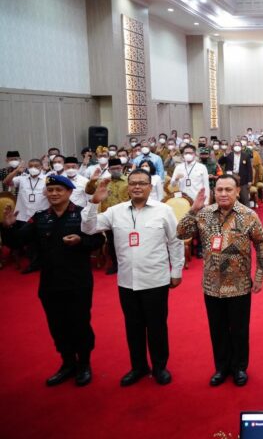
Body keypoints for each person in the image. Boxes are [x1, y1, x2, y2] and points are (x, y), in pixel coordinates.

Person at [81, 169, 185, 387]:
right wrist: (93, 202)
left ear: (150, 186)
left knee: (157, 326)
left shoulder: (163, 210)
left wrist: (176, 271)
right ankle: (138, 367)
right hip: (127, 281)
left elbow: (175, 242)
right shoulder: (115, 211)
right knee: (133, 327)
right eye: (133, 183)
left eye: (142, 183)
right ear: (128, 187)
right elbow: (88, 228)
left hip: (156, 280)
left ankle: (159, 367)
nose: (137, 187)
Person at [1, 175, 104, 387]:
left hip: (78, 282)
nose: (54, 194)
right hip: (50, 283)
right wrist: (8, 227)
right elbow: (18, 241)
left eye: (59, 189)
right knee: (57, 325)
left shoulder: (81, 215)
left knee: (80, 323)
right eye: (51, 190)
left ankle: (84, 364)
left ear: (68, 192)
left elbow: (97, 240)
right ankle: (67, 363)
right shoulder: (40, 218)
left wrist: (80, 241)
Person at [176, 177, 263, 387]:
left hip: (239, 285)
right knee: (217, 330)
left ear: (237, 190)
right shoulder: (205, 214)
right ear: (214, 191)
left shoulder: (248, 215)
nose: (224, 193)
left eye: (228, 189)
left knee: (239, 330)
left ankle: (239, 368)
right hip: (212, 285)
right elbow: (181, 233)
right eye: (219, 189)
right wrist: (193, 209)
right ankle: (221, 367)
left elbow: (261, 246)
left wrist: (260, 276)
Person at [85, 158, 129, 275]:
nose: (116, 170)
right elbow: (89, 191)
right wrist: (92, 181)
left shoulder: (128, 181)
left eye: (118, 168)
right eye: (113, 168)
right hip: (108, 218)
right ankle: (115, 265)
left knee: (126, 243)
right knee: (111, 243)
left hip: (126, 217)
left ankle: (127, 266)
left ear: (122, 168)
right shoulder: (103, 181)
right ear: (109, 169)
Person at [218, 141, 255, 207]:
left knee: (245, 199)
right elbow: (220, 162)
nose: (237, 146)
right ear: (233, 147)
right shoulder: (229, 154)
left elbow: (249, 169)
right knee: (231, 198)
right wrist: (225, 154)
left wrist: (250, 181)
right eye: (235, 145)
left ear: (241, 147)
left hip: (243, 180)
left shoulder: (245, 156)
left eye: (238, 145)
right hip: (230, 179)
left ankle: (247, 215)